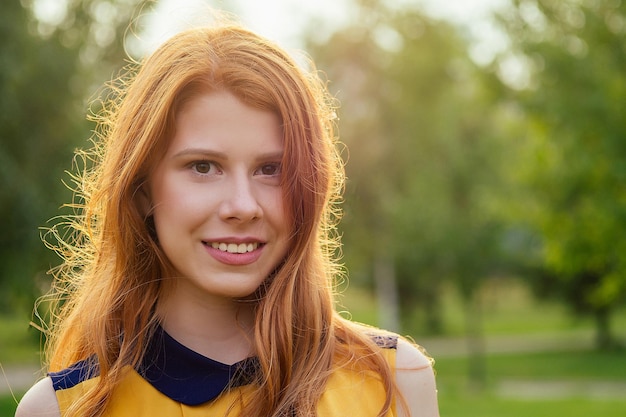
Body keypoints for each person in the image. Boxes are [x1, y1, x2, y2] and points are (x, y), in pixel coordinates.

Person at [15, 17, 439, 417]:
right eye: (203, 167)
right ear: (142, 189)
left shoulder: (395, 382)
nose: (242, 206)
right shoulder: (62, 408)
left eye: (270, 169)